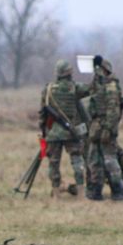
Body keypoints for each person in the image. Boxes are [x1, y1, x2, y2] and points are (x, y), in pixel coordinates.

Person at [40, 60, 92, 199]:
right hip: (71, 132)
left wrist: (43, 131)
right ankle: (81, 194)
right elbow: (91, 88)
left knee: (53, 164)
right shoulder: (75, 88)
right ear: (69, 73)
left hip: (53, 133)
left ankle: (56, 194)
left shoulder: (48, 89)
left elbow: (43, 113)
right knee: (77, 161)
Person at [86, 57, 123, 200]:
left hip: (106, 128)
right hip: (96, 128)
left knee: (110, 161)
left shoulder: (111, 87)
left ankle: (119, 191)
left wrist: (108, 129)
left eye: (98, 69)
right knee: (94, 161)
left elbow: (113, 111)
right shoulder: (99, 84)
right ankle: (95, 192)